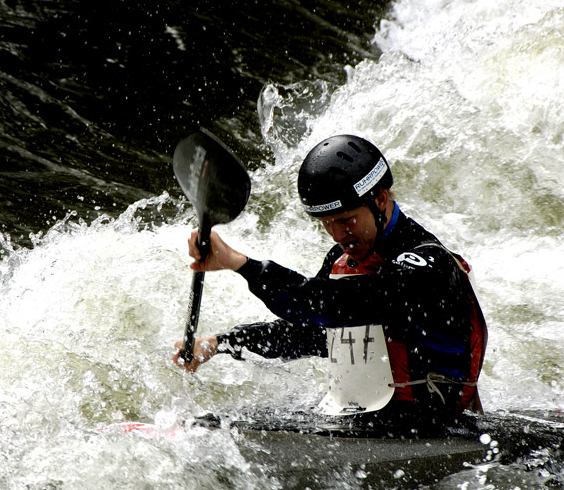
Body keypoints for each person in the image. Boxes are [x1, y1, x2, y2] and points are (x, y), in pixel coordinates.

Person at [172, 134, 487, 435]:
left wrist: (241, 264)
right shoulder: (344, 258)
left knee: (221, 428)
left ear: (380, 199)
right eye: (326, 223)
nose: (337, 236)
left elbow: (336, 304)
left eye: (346, 220)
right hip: (366, 419)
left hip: (430, 428)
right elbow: (311, 332)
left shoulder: (429, 268)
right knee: (219, 421)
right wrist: (220, 343)